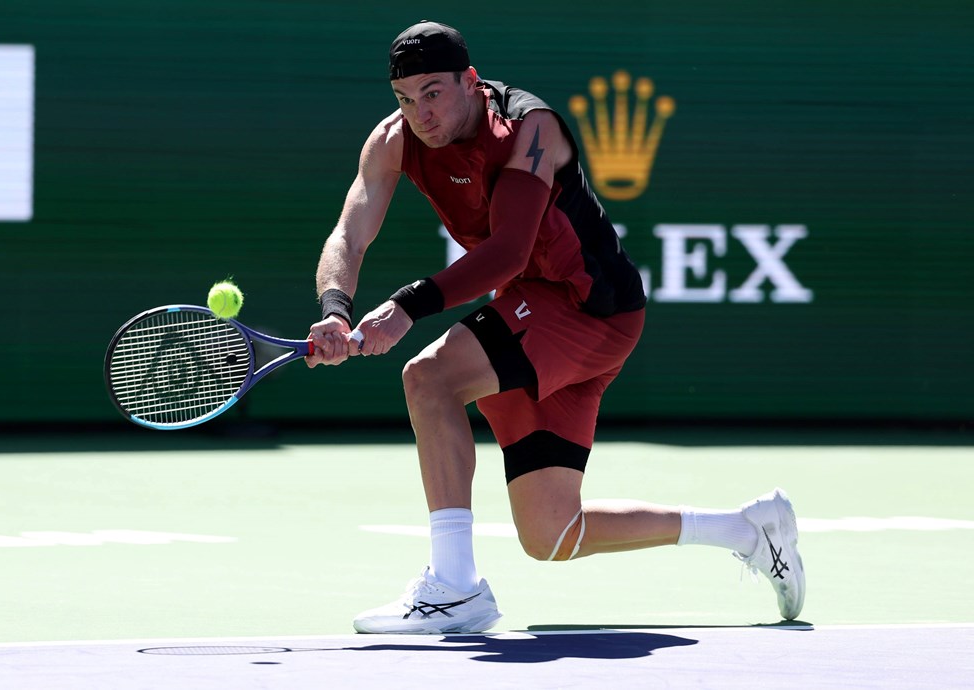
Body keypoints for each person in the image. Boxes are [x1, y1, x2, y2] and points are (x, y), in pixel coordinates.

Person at [306, 20, 805, 634]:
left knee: (430, 379)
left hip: (587, 307)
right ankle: (746, 529)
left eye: (433, 93)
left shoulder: (529, 128)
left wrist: (407, 306)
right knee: (552, 534)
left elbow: (513, 250)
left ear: (470, 82)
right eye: (406, 99)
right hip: (540, 314)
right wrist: (335, 309)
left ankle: (455, 589)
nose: (420, 114)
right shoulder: (392, 141)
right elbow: (349, 233)